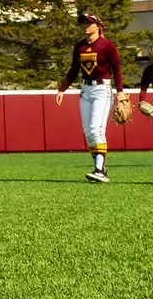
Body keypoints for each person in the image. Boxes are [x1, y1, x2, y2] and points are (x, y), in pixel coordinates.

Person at [55, 13, 130, 184]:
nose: (86, 26)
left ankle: (99, 170)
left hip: (102, 89)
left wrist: (120, 91)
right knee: (89, 132)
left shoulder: (107, 46)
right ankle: (100, 169)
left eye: (89, 23)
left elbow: (117, 69)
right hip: (85, 89)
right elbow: (74, 69)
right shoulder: (80, 46)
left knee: (97, 129)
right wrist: (62, 89)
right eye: (84, 23)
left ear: (98, 26)